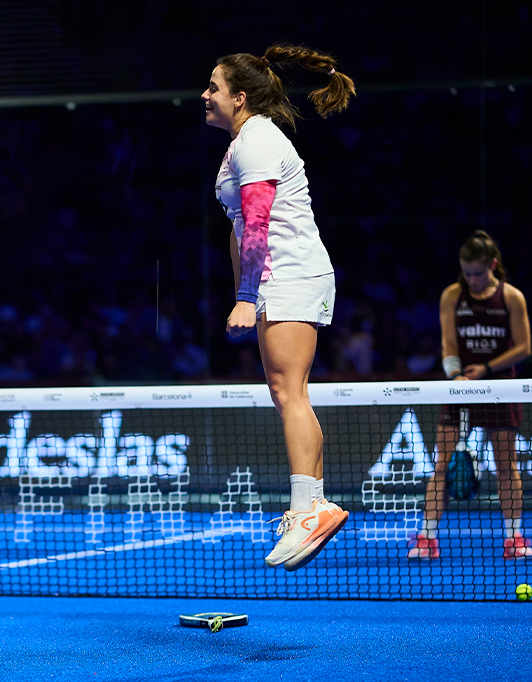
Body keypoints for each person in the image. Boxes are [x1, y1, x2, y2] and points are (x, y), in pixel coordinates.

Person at [202, 44, 355, 571]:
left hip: (288, 275)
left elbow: (259, 221)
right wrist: (242, 290)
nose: (205, 95)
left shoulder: (259, 141)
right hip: (277, 277)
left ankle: (306, 508)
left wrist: (247, 297)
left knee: (288, 391)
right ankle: (311, 506)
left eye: (214, 88)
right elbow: (238, 227)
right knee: (288, 391)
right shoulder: (244, 142)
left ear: (239, 98)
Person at [409, 231, 530, 560]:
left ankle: (514, 538)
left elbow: (524, 347)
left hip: (500, 389)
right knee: (441, 467)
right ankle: (427, 538)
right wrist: (456, 376)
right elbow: (448, 344)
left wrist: (487, 369)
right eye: (467, 273)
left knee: (507, 467)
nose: (472, 280)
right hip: (460, 387)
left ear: (492, 265)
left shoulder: (511, 297)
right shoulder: (452, 295)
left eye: (478, 273)